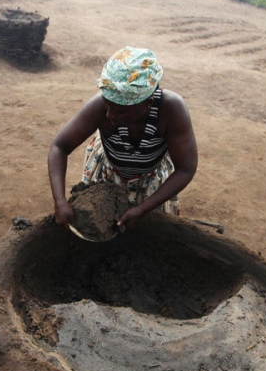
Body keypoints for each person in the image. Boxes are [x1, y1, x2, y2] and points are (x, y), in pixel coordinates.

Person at [48, 46, 198, 233]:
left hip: (150, 179)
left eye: (120, 111)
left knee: (147, 233)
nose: (110, 115)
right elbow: (59, 146)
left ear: (148, 103)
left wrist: (143, 209)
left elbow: (186, 168)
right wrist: (60, 201)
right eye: (107, 106)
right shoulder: (100, 106)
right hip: (109, 173)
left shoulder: (171, 110)